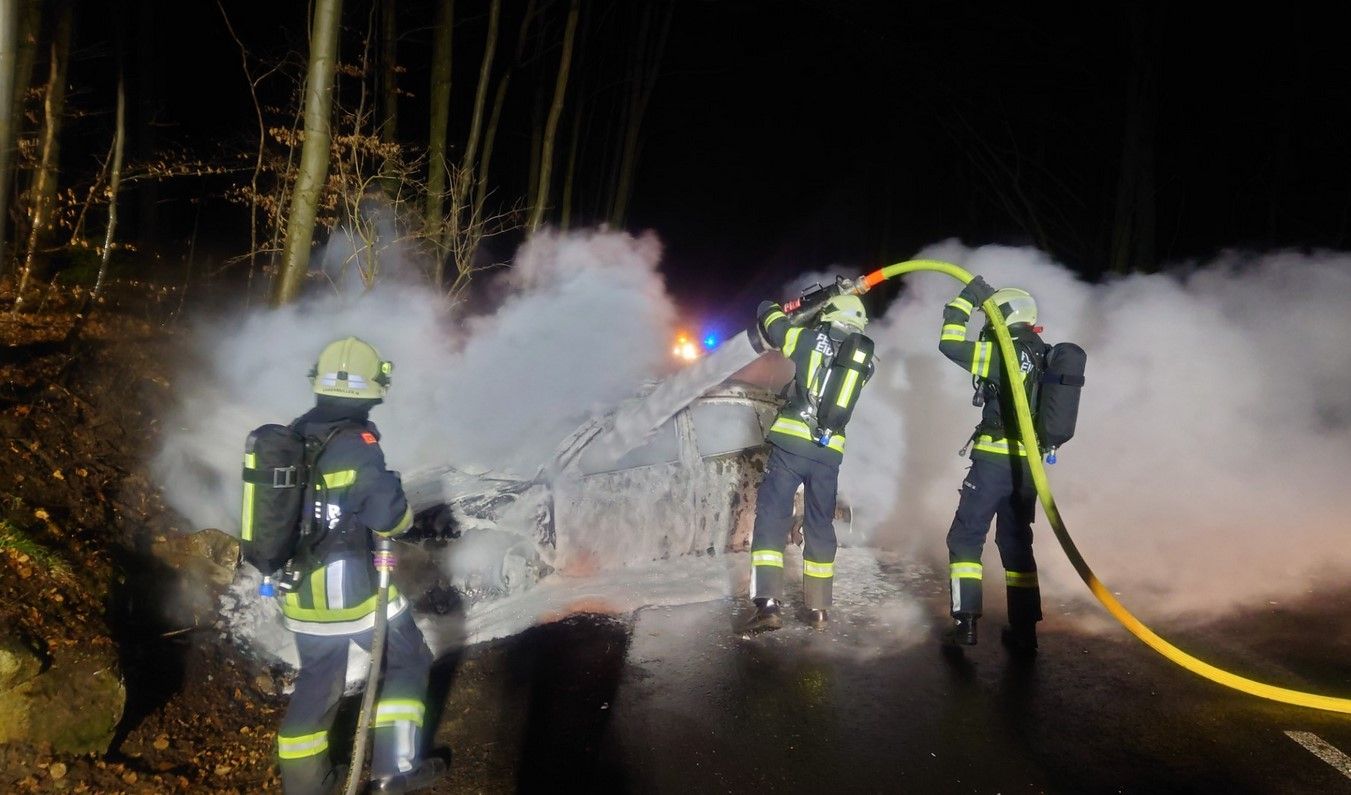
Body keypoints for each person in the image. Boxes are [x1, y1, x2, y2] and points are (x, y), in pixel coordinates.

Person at [272, 336, 439, 794]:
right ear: (371, 388)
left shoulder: (293, 434)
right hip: (352, 592)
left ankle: (306, 788)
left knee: (318, 680)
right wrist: (396, 502)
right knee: (408, 658)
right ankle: (394, 771)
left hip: (299, 590)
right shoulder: (358, 444)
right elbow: (391, 517)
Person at [744, 293, 876, 633]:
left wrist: (776, 307)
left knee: (773, 517)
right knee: (819, 525)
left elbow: (773, 324)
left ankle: (768, 606)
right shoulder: (865, 361)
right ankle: (818, 609)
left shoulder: (807, 339)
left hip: (791, 448)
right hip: (828, 456)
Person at [937, 277, 1045, 654]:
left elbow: (948, 342)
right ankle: (1026, 631)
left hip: (993, 463)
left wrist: (966, 299)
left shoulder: (1002, 353)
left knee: (966, 538)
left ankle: (965, 622)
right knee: (1016, 543)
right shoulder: (1045, 354)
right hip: (1028, 468)